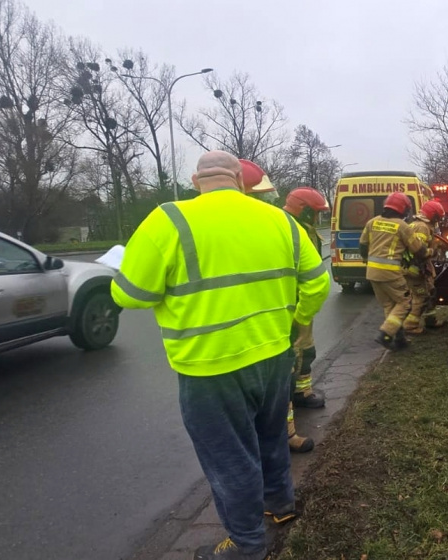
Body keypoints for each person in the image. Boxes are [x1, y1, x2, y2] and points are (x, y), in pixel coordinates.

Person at [110, 151, 330, 560]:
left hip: (210, 368)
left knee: (230, 459)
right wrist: (295, 321)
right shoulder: (279, 220)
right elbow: (318, 283)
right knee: (270, 437)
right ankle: (280, 505)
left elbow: (130, 294)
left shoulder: (169, 219)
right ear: (240, 180)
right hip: (274, 356)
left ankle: (246, 545)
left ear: (197, 181)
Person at [239, 162, 317, 454]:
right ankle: (282, 437)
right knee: (277, 379)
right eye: (259, 196)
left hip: (253, 321)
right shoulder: (269, 226)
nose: (264, 202)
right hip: (268, 321)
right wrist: (300, 316)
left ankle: (275, 438)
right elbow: (314, 282)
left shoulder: (264, 224)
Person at [359, 192, 429, 350]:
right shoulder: (402, 226)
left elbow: (363, 245)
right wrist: (430, 252)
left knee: (389, 305)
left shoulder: (372, 222)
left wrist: (367, 260)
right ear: (402, 209)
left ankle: (399, 339)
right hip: (390, 272)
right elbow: (418, 250)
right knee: (405, 303)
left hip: (372, 272)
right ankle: (385, 334)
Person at [283, 187, 330, 410]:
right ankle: (298, 395)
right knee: (301, 348)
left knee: (301, 348)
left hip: (291, 299)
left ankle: (301, 391)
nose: (317, 216)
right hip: (297, 301)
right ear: (304, 209)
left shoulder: (284, 224)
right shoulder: (298, 230)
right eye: (315, 212)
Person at [402, 200, 446, 335]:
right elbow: (419, 251)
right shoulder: (422, 227)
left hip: (417, 268)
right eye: (437, 217)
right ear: (432, 215)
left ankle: (430, 320)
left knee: (430, 292)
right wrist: (433, 251)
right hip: (415, 269)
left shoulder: (419, 225)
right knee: (421, 296)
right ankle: (410, 326)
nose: (438, 220)